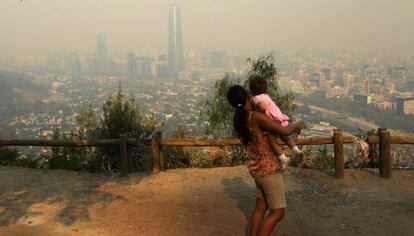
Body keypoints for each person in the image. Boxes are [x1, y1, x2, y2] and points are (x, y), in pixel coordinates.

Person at [227, 85, 302, 236]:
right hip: (269, 171)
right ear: (248, 97)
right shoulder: (256, 117)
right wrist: (296, 126)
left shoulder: (241, 119)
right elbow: (285, 131)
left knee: (261, 208)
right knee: (278, 212)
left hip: (257, 168)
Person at [249, 75, 303, 170]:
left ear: (252, 90)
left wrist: (259, 113)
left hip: (273, 121)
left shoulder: (256, 98)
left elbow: (263, 107)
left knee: (272, 141)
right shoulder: (266, 96)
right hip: (279, 116)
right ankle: (297, 150)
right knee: (285, 137)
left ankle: (282, 158)